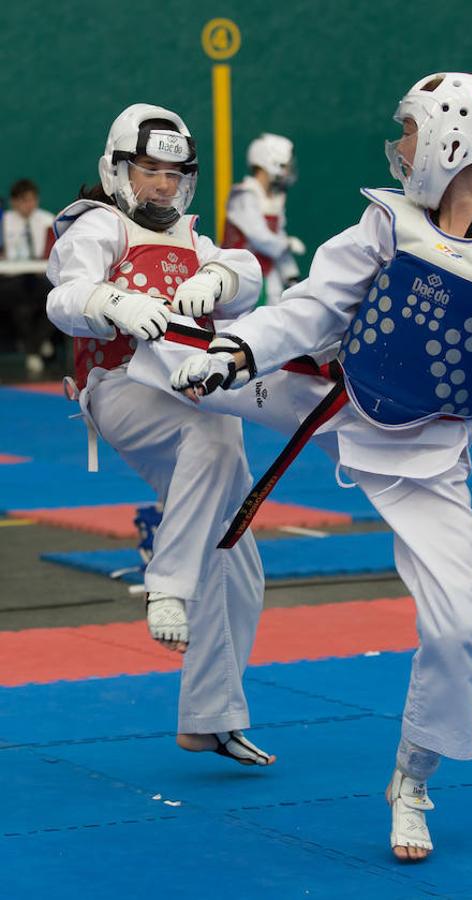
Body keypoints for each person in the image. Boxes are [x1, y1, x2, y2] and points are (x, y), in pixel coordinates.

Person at [144, 73, 472, 860]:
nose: (399, 147)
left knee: (455, 633)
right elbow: (312, 306)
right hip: (330, 399)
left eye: (407, 131)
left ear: (450, 135)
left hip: (429, 456)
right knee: (161, 356)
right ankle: (150, 478)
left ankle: (412, 781)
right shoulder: (387, 221)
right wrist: (238, 350)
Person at [45, 103, 275, 767]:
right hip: (120, 390)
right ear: (118, 170)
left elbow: (249, 273)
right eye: (150, 171)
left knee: (236, 558)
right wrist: (112, 302)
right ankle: (165, 582)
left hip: (183, 391)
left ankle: (209, 717)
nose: (163, 186)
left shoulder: (193, 239)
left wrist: (218, 277)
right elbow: (63, 297)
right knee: (217, 438)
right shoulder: (98, 224)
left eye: (175, 174)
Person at [223, 133, 305, 306]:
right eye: (284, 166)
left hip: (267, 274)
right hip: (240, 272)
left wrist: (291, 275)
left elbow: (278, 237)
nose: (287, 172)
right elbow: (260, 237)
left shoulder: (275, 199)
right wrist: (287, 243)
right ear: (271, 163)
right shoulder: (244, 195)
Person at [0, 178, 58, 374]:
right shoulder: (4, 221)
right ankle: (36, 347)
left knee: (54, 299)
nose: (29, 205)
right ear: (14, 202)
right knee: (20, 306)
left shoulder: (48, 220)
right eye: (24, 200)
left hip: (40, 275)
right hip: (11, 277)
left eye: (33, 200)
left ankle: (33, 347)